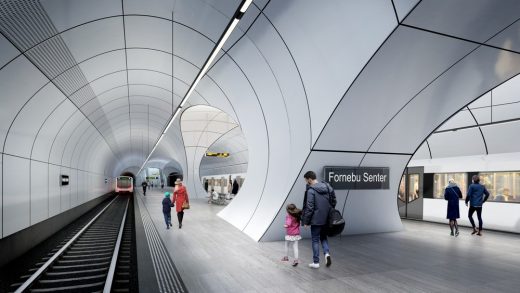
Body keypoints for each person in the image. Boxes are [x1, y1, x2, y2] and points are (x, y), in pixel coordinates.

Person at [302, 170, 336, 269]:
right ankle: (327, 254)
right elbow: (334, 200)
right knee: (324, 237)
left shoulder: (311, 190)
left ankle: (316, 262)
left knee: (315, 240)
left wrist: (306, 221)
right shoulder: (327, 186)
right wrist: (328, 211)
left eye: (305, 180)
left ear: (309, 179)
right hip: (326, 218)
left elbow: (310, 207)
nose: (306, 182)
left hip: (316, 220)